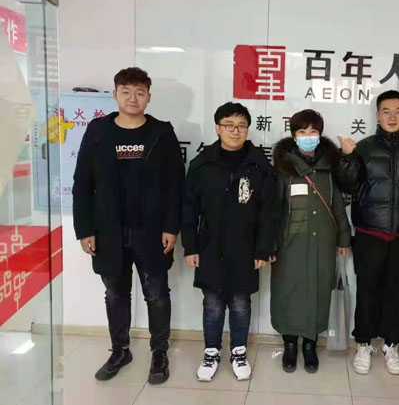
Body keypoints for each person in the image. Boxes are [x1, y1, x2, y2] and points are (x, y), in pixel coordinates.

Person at [73, 67, 184, 384]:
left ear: (149, 96)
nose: (132, 98)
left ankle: (159, 352)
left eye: (139, 92)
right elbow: (83, 183)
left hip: (151, 230)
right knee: (115, 294)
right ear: (115, 94)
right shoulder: (98, 132)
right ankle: (120, 350)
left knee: (157, 294)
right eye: (126, 91)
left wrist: (171, 226)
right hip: (108, 230)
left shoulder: (161, 133)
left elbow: (176, 184)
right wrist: (85, 230)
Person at [181, 102, 278, 382]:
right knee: (212, 302)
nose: (235, 131)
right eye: (229, 125)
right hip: (210, 245)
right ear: (217, 128)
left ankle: (238, 352)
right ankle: (211, 352)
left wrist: (263, 248)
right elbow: (188, 209)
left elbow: (269, 211)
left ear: (247, 129)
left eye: (241, 126)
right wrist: (191, 246)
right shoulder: (202, 164)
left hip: (246, 246)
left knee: (240, 302)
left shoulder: (260, 165)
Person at [337, 90, 399, 376]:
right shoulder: (363, 148)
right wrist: (347, 158)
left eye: (398, 111)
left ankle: (391, 344)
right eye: (386, 111)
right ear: (377, 115)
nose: (392, 116)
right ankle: (363, 343)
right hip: (369, 233)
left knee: (397, 292)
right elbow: (348, 186)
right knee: (367, 291)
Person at [271, 109, 351, 374]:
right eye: (302, 132)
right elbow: (273, 209)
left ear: (320, 134)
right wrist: (270, 243)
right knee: (288, 291)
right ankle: (290, 344)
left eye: (313, 131)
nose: (308, 136)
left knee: (318, 291)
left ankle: (310, 344)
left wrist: (343, 237)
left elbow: (337, 205)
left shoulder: (329, 167)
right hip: (289, 243)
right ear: (294, 136)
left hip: (323, 242)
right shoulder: (283, 168)